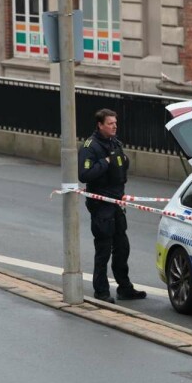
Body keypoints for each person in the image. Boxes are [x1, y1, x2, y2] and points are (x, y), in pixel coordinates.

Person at [78, 109, 146, 303]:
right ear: (100, 125)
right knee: (103, 249)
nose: (114, 126)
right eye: (110, 123)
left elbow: (121, 168)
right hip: (101, 204)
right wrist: (106, 162)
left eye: (115, 123)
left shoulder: (115, 143)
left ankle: (125, 288)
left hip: (116, 202)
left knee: (122, 247)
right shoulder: (90, 147)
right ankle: (101, 291)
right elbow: (84, 175)